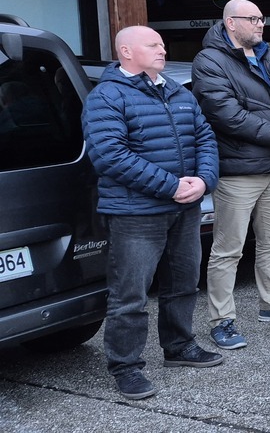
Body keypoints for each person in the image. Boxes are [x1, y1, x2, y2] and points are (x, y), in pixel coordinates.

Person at [83, 25, 223, 400]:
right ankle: (126, 367)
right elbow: (110, 156)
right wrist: (171, 186)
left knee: (184, 283)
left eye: (162, 44)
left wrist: (204, 180)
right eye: (153, 44)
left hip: (184, 207)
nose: (162, 49)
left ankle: (179, 346)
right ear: (126, 52)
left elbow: (205, 138)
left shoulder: (177, 92)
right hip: (136, 214)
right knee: (130, 294)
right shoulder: (106, 96)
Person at [191, 0, 270, 351]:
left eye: (262, 18)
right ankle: (221, 320)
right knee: (228, 249)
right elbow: (224, 113)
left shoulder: (267, 55)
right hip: (238, 172)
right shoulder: (209, 61)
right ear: (231, 22)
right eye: (253, 19)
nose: (261, 24)